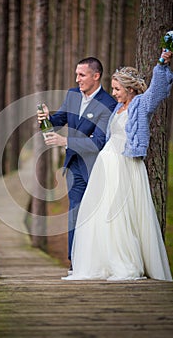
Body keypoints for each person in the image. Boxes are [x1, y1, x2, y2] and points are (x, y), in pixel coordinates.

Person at [62, 50, 173, 281]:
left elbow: (157, 92)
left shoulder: (140, 105)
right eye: (112, 89)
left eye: (117, 89)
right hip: (107, 165)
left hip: (125, 165)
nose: (113, 93)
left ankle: (125, 262)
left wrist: (162, 63)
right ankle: (103, 261)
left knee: (122, 214)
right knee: (101, 215)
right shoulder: (116, 108)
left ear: (130, 89)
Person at [37, 57, 117, 275]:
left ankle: (100, 261)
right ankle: (75, 264)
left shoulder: (108, 104)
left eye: (81, 75)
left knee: (97, 216)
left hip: (96, 169)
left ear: (96, 76)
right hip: (74, 166)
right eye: (76, 75)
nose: (77, 79)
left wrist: (65, 141)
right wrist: (46, 118)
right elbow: (60, 119)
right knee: (75, 214)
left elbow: (98, 142)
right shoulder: (72, 94)